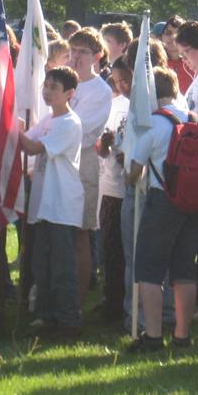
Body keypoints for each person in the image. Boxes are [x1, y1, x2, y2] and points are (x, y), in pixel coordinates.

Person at [127, 67, 198, 351]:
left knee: (149, 268)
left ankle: (153, 335)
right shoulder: (192, 119)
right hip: (193, 201)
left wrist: (128, 172)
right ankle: (182, 335)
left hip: (163, 199)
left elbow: (135, 170)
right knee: (184, 269)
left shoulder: (154, 123)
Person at [19, 67, 85, 337]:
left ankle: (68, 319)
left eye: (54, 88)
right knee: (42, 264)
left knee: (62, 267)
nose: (47, 92)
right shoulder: (48, 119)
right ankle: (46, 315)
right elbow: (29, 139)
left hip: (62, 204)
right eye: (46, 86)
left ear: (69, 93)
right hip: (44, 204)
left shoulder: (69, 123)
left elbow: (33, 147)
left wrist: (9, 127)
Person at [68, 28, 113, 304]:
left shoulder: (100, 91)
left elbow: (81, 131)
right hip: (55, 163)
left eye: (83, 52)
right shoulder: (61, 80)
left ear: (96, 56)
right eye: (72, 50)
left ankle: (77, 299)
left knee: (79, 234)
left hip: (82, 163)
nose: (76, 56)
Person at [96, 57, 131, 321]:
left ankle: (129, 303)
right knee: (110, 249)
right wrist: (106, 145)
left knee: (128, 250)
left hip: (131, 187)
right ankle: (112, 300)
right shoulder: (115, 105)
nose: (122, 86)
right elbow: (101, 147)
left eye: (126, 80)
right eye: (118, 81)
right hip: (110, 185)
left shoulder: (146, 108)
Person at [159, 15, 194, 93]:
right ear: (162, 36)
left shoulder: (192, 65)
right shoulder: (155, 62)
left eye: (178, 34)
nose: (172, 37)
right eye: (168, 33)